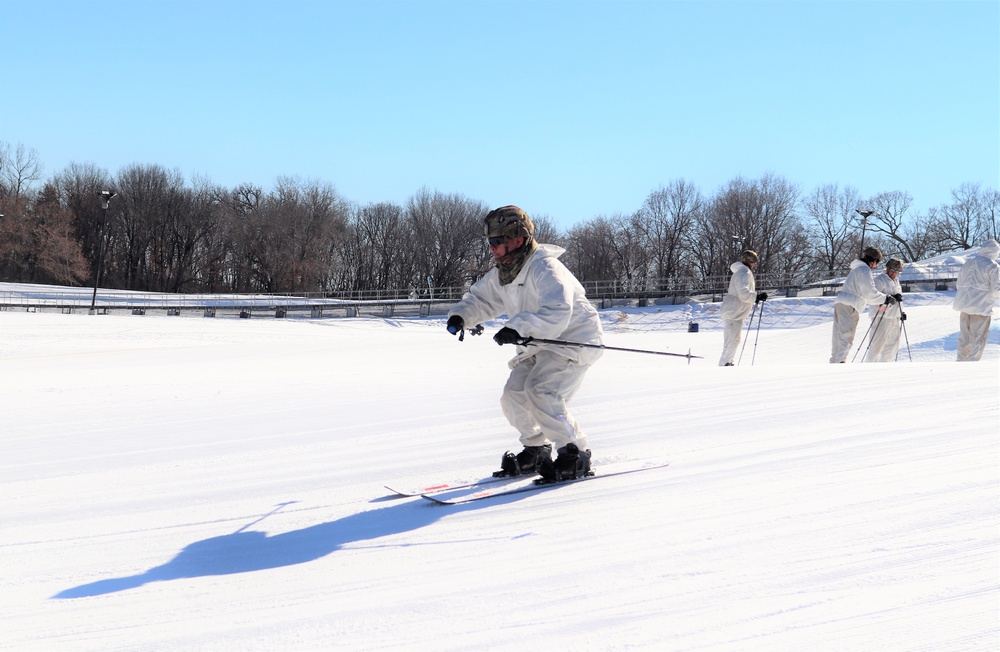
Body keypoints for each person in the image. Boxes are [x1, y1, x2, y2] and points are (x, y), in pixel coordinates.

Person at [446, 205, 604, 482]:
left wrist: (517, 328)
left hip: (572, 340)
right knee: (513, 396)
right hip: (537, 342)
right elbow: (482, 300)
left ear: (518, 239)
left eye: (497, 242)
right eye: (490, 243)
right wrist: (461, 316)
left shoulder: (545, 267)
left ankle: (574, 454)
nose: (492, 249)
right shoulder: (504, 272)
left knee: (541, 391)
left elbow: (557, 310)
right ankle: (536, 448)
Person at [830, 246, 900, 363]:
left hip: (842, 303)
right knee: (846, 336)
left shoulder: (857, 269)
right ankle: (839, 362)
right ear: (873, 261)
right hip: (850, 305)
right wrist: (886, 299)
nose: (876, 266)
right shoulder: (864, 270)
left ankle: (835, 361)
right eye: (877, 263)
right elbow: (869, 293)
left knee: (838, 336)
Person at [952, 238, 1000, 361]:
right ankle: (972, 365)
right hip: (981, 307)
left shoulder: (968, 263)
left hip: (963, 306)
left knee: (964, 338)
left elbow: (958, 285)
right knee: (978, 339)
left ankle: (960, 362)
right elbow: (996, 289)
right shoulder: (992, 265)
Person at [719, 249, 767, 366]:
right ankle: (726, 363)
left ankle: (726, 362)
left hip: (734, 310)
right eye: (754, 261)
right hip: (735, 311)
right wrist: (757, 296)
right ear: (749, 261)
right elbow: (743, 292)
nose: (755, 264)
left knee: (731, 339)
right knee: (733, 340)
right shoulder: (744, 273)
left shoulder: (741, 272)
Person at [864, 258, 905, 362]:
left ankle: (885, 366)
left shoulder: (896, 281)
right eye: (892, 270)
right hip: (881, 317)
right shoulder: (879, 280)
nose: (894, 273)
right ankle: (869, 366)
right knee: (877, 345)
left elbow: (898, 299)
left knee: (892, 345)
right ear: (887, 268)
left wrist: (901, 312)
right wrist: (889, 299)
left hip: (894, 317)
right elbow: (872, 299)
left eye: (896, 272)